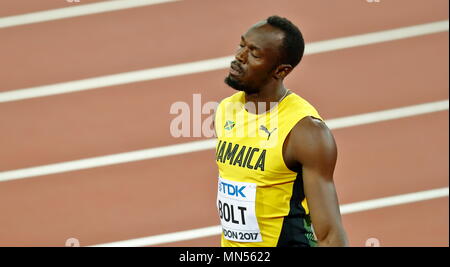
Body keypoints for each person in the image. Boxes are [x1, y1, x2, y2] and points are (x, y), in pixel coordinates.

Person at [214, 15, 348, 247]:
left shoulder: (305, 131)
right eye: (242, 45)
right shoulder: (227, 109)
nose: (239, 56)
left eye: (254, 54)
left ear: (280, 70)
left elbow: (330, 236)